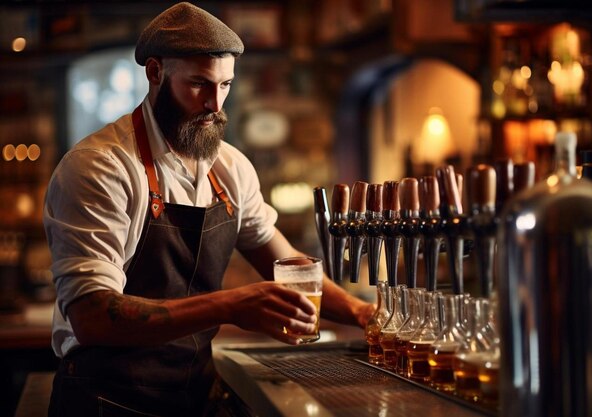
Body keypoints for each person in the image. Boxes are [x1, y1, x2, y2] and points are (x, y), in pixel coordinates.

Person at [43, 2, 374, 416]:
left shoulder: (230, 167)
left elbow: (288, 265)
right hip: (107, 399)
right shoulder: (101, 166)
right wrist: (233, 305)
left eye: (225, 85)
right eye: (199, 84)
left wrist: (362, 312)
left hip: (192, 394)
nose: (215, 105)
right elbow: (92, 316)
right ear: (155, 73)